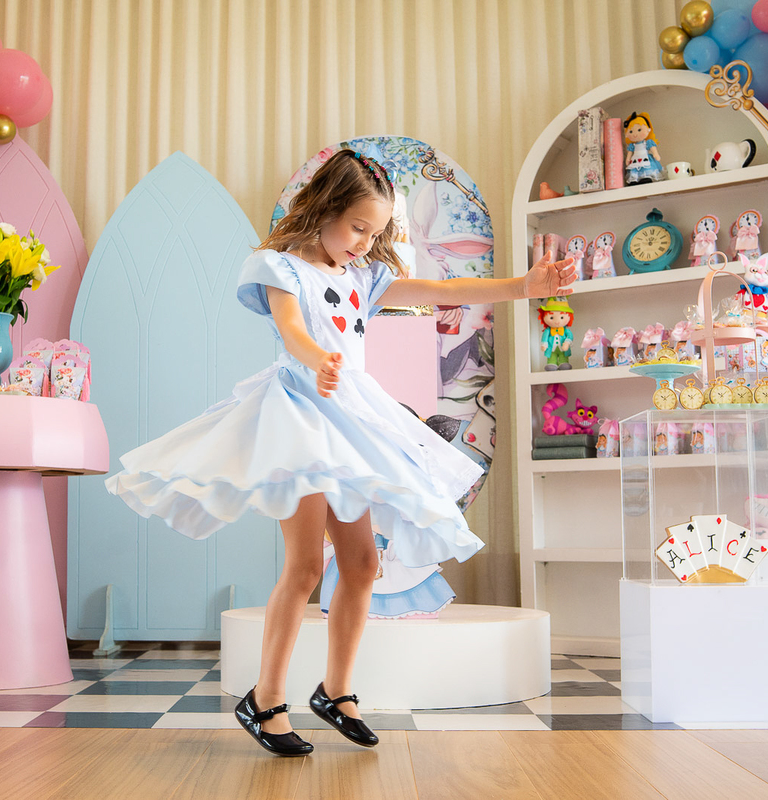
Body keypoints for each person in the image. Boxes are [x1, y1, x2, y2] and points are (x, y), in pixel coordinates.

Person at [105, 149, 576, 756]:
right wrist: (317, 359)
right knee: (303, 567)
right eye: (357, 227)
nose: (363, 243)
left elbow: (442, 286)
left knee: (361, 567)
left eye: (374, 233)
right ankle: (266, 698)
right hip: (299, 418)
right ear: (324, 209)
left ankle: (337, 690)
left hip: (351, 419)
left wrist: (523, 286)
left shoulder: (364, 276)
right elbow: (294, 330)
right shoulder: (279, 266)